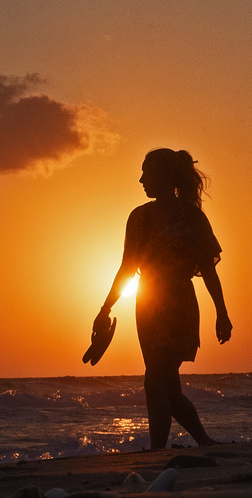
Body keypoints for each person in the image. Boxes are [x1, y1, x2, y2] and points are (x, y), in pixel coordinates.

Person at [85, 148, 232, 449]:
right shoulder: (137, 217)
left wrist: (222, 313)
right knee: (169, 389)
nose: (140, 179)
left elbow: (208, 270)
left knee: (153, 381)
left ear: (166, 176)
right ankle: (206, 442)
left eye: (146, 172)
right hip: (147, 307)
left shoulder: (191, 218)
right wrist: (105, 308)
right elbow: (127, 266)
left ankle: (156, 452)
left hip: (178, 306)